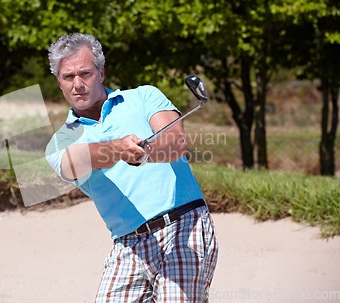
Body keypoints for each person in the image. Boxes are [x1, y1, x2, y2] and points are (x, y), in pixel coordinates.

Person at [45, 33, 218, 302]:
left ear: (101, 73)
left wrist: (145, 152)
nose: (77, 84)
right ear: (59, 81)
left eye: (85, 73)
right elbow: (73, 163)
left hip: (184, 224)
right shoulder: (59, 141)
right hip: (128, 244)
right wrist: (117, 149)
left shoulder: (144, 96)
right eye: (68, 77)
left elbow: (176, 143)